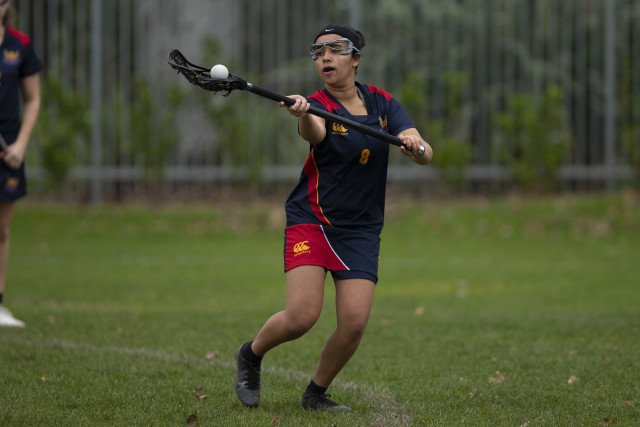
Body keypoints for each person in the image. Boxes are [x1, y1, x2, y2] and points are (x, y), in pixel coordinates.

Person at [234, 24, 432, 412]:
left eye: (335, 49)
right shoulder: (315, 104)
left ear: (356, 58)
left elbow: (425, 153)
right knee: (301, 317)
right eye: (318, 51)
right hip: (313, 219)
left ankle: (315, 393)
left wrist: (415, 146)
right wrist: (304, 113)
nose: (325, 57)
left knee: (354, 324)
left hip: (361, 228)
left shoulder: (382, 102)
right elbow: (314, 133)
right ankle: (251, 354)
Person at [0, 0, 42, 327]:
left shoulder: (20, 45)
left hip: (9, 152)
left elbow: (33, 99)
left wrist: (21, 144)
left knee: (1, 230)